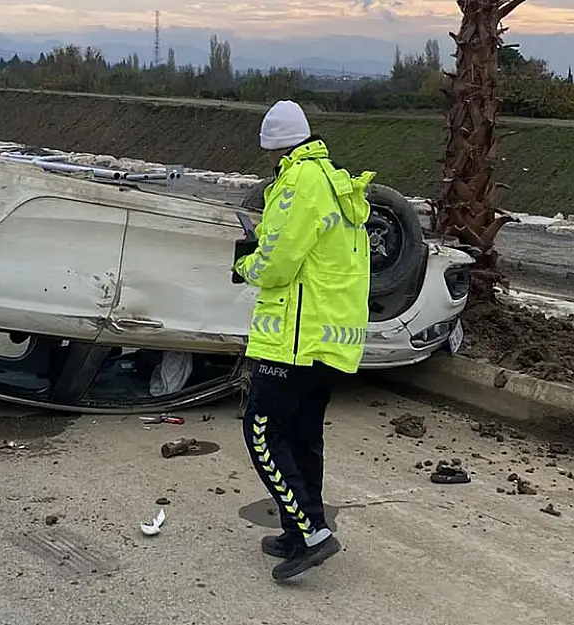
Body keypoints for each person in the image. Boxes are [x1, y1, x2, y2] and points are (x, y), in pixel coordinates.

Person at [233, 100, 374, 581]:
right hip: (333, 339)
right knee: (301, 434)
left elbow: (277, 260)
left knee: (261, 431)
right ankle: (298, 531)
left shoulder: (298, 182)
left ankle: (313, 531)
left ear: (274, 146)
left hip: (295, 337)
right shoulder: (337, 181)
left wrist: (244, 264)